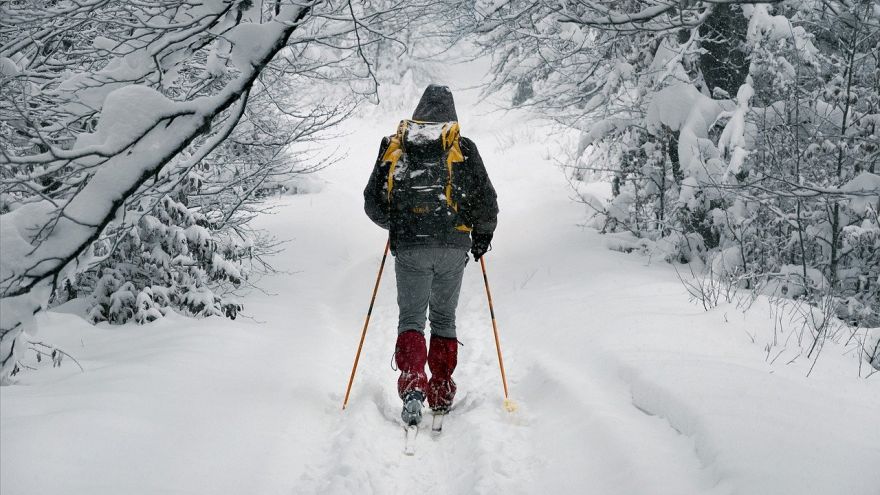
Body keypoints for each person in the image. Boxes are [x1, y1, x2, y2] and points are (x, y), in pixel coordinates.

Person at [363, 84, 498, 425]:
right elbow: (487, 201)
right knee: (443, 318)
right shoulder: (463, 148)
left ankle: (412, 388)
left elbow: (372, 202)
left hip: (410, 248)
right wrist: (481, 237)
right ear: (451, 116)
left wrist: (397, 224)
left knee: (411, 319)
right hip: (454, 246)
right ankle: (440, 390)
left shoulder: (396, 147)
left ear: (419, 112)